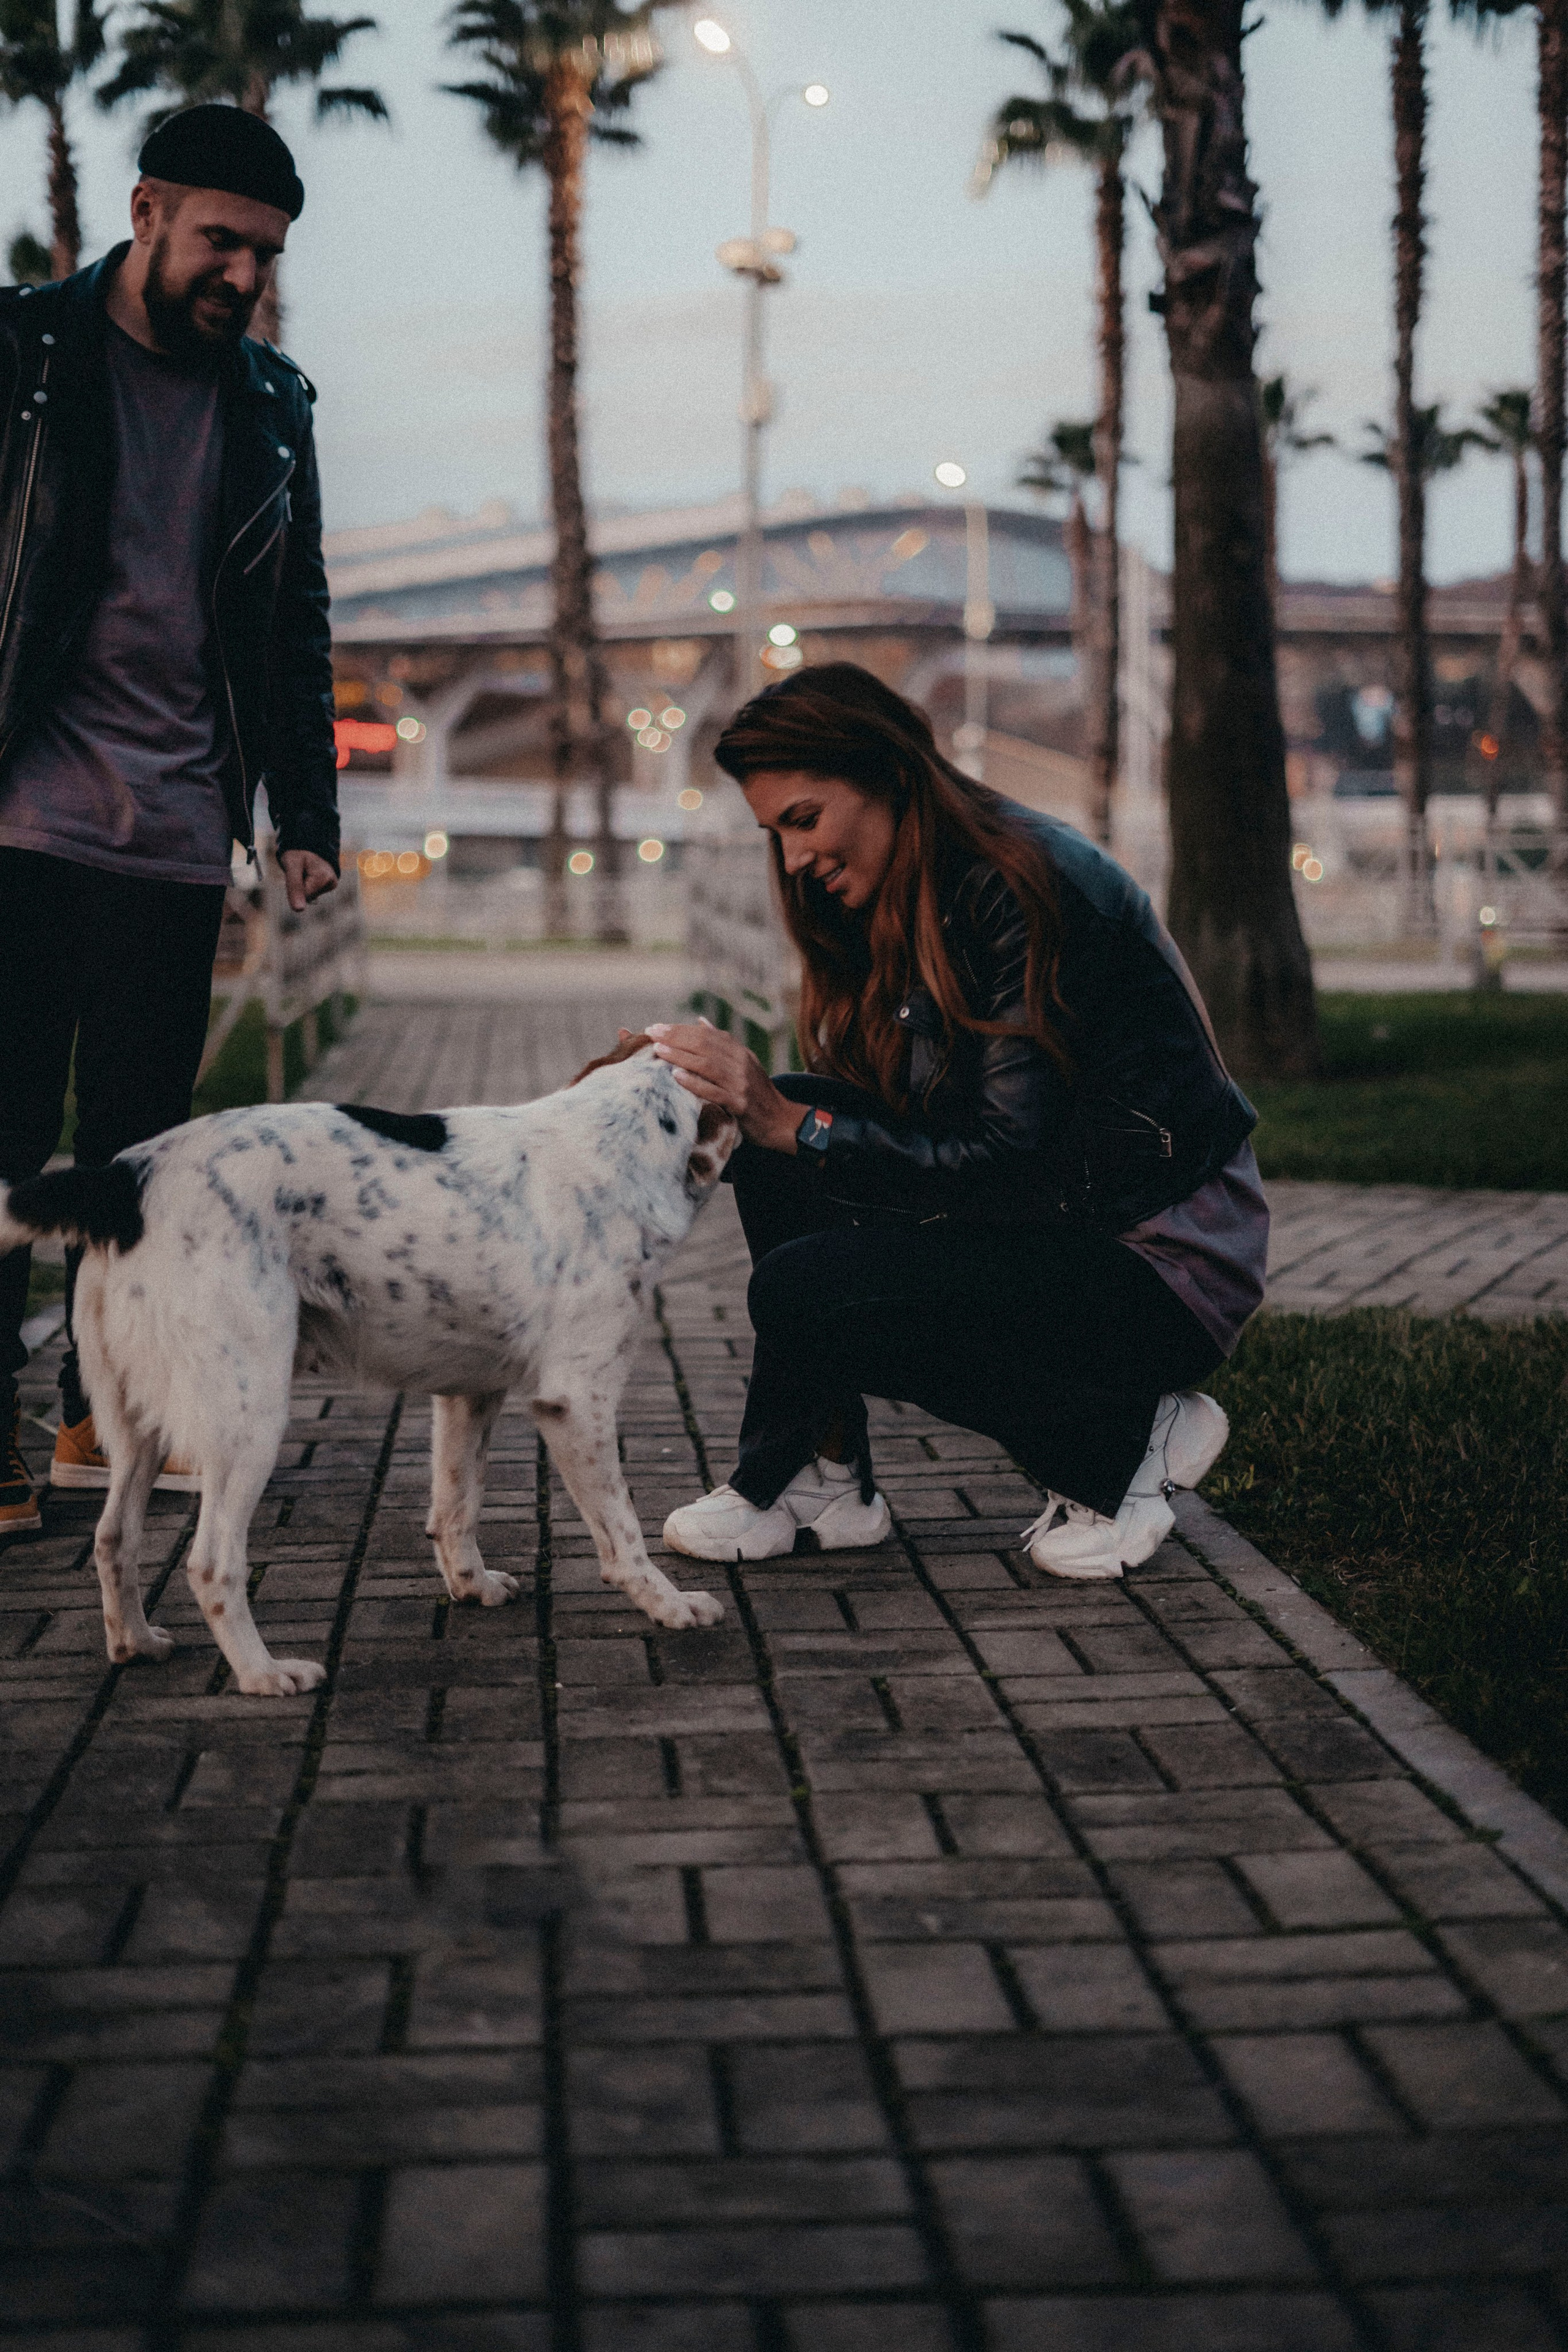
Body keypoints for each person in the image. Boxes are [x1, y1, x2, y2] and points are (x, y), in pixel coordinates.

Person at [655, 663, 1268, 1582]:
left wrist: (803, 1129)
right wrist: (778, 1122)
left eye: (805, 820)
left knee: (803, 1275)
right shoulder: (913, 888)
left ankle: (1126, 1440)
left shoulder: (1017, 887)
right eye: (775, 832)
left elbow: (1005, 1154)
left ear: (888, 776)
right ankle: (819, 1476)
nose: (792, 859)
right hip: (1057, 1224)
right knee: (777, 1141)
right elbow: (926, 1128)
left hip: (1159, 1269)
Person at [0, 104, 339, 1538]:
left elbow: (292, 628)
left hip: (180, 831)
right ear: (144, 212)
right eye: (221, 241)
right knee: (11, 1130)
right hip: (23, 811)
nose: (241, 276)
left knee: (141, 1156)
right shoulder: (23, 352)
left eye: (262, 255)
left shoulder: (271, 405)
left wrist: (302, 808)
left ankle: (103, 1419)